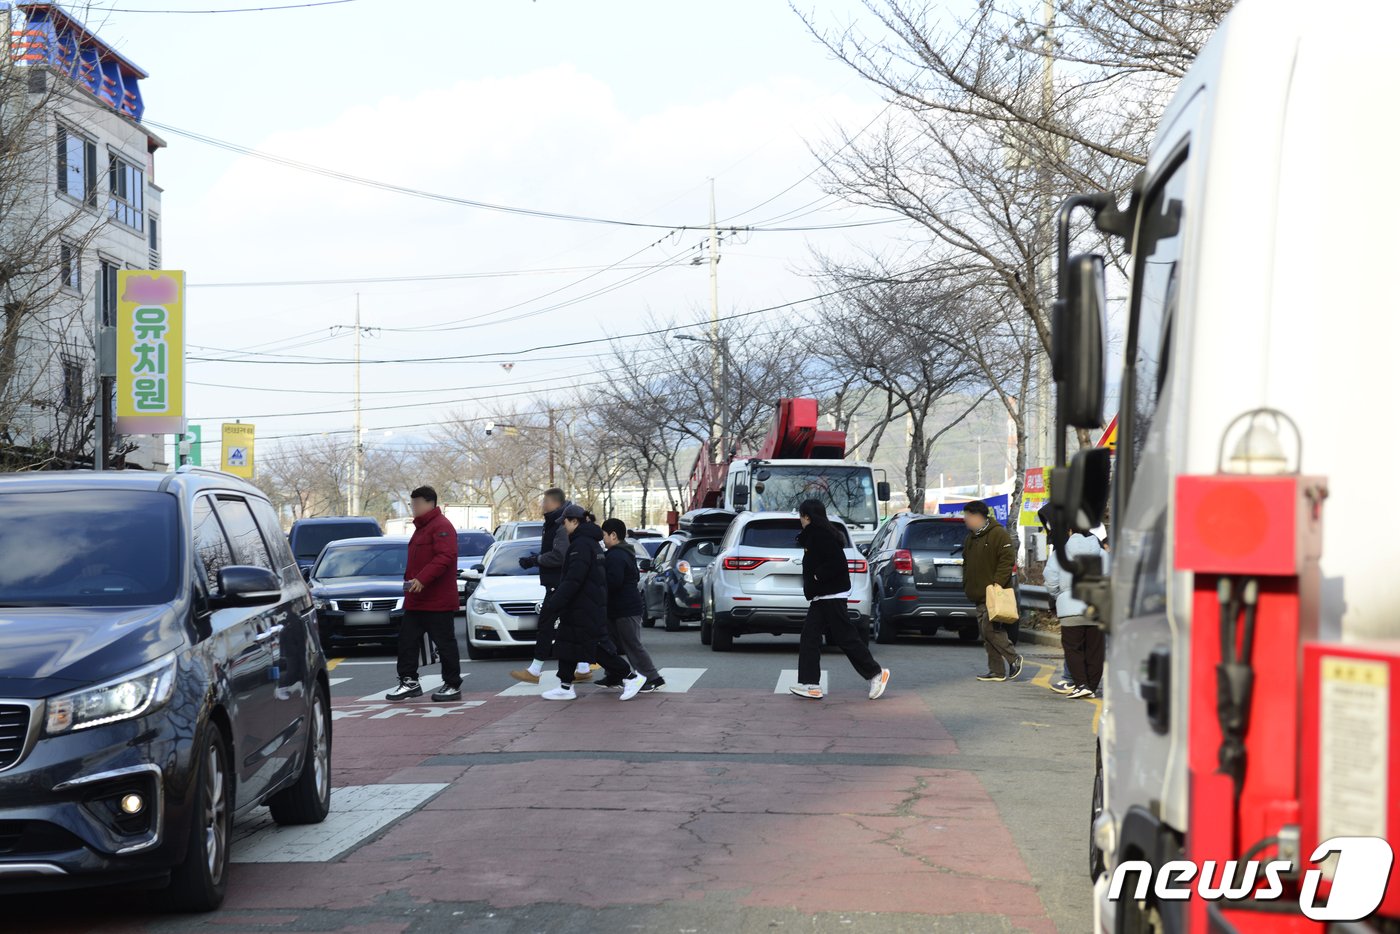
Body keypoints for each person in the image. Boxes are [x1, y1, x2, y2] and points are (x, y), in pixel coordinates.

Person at [539, 505, 646, 702]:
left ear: (574, 521)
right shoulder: (588, 543)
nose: (563, 527)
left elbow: (573, 579)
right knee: (567, 643)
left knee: (594, 647)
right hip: (582, 605)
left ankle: (631, 677)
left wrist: (555, 603)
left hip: (584, 606)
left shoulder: (581, 545)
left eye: (564, 522)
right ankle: (565, 686)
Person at [789, 499, 890, 701]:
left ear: (807, 516)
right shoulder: (816, 534)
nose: (800, 520)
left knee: (844, 637)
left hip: (831, 596)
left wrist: (817, 575)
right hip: (823, 596)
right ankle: (811, 685)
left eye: (801, 516)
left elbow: (836, 562)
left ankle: (876, 673)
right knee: (810, 637)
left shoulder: (820, 535)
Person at [387, 486, 462, 702]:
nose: (413, 508)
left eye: (416, 504)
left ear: (429, 503)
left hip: (437, 599)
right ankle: (409, 681)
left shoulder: (441, 526)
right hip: (417, 598)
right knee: (407, 641)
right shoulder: (422, 527)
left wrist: (422, 579)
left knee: (445, 642)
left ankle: (452, 684)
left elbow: (445, 557)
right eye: (412, 504)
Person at [511, 488, 592, 685]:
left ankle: (536, 670)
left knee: (546, 624)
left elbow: (560, 555)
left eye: (544, 501)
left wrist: (535, 560)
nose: (542, 505)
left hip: (559, 583)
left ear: (554, 503)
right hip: (560, 582)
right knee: (570, 625)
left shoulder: (560, 524)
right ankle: (583, 667)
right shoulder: (554, 522)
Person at [1043, 523, 1108, 699]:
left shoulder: (1060, 554)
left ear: (1070, 531)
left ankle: (1081, 684)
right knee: (1095, 650)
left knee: (1073, 648)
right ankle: (1092, 687)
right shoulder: (1102, 554)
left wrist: (1059, 597)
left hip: (1070, 608)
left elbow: (1051, 580)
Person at [600, 518, 665, 692]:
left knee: (631, 644)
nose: (603, 539)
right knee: (612, 644)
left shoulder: (616, 555)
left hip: (625, 608)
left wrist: (599, 584)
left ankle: (652, 677)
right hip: (621, 607)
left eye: (604, 535)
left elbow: (614, 582)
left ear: (613, 535)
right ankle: (614, 674)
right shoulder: (625, 552)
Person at [962, 500, 1022, 683]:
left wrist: (997, 583)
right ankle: (996, 671)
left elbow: (1007, 560)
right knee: (986, 633)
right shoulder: (971, 537)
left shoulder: (998, 534)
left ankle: (1014, 658)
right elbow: (967, 562)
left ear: (977, 516)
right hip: (978, 594)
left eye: (967, 516)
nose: (965, 520)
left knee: (991, 630)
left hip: (995, 592)